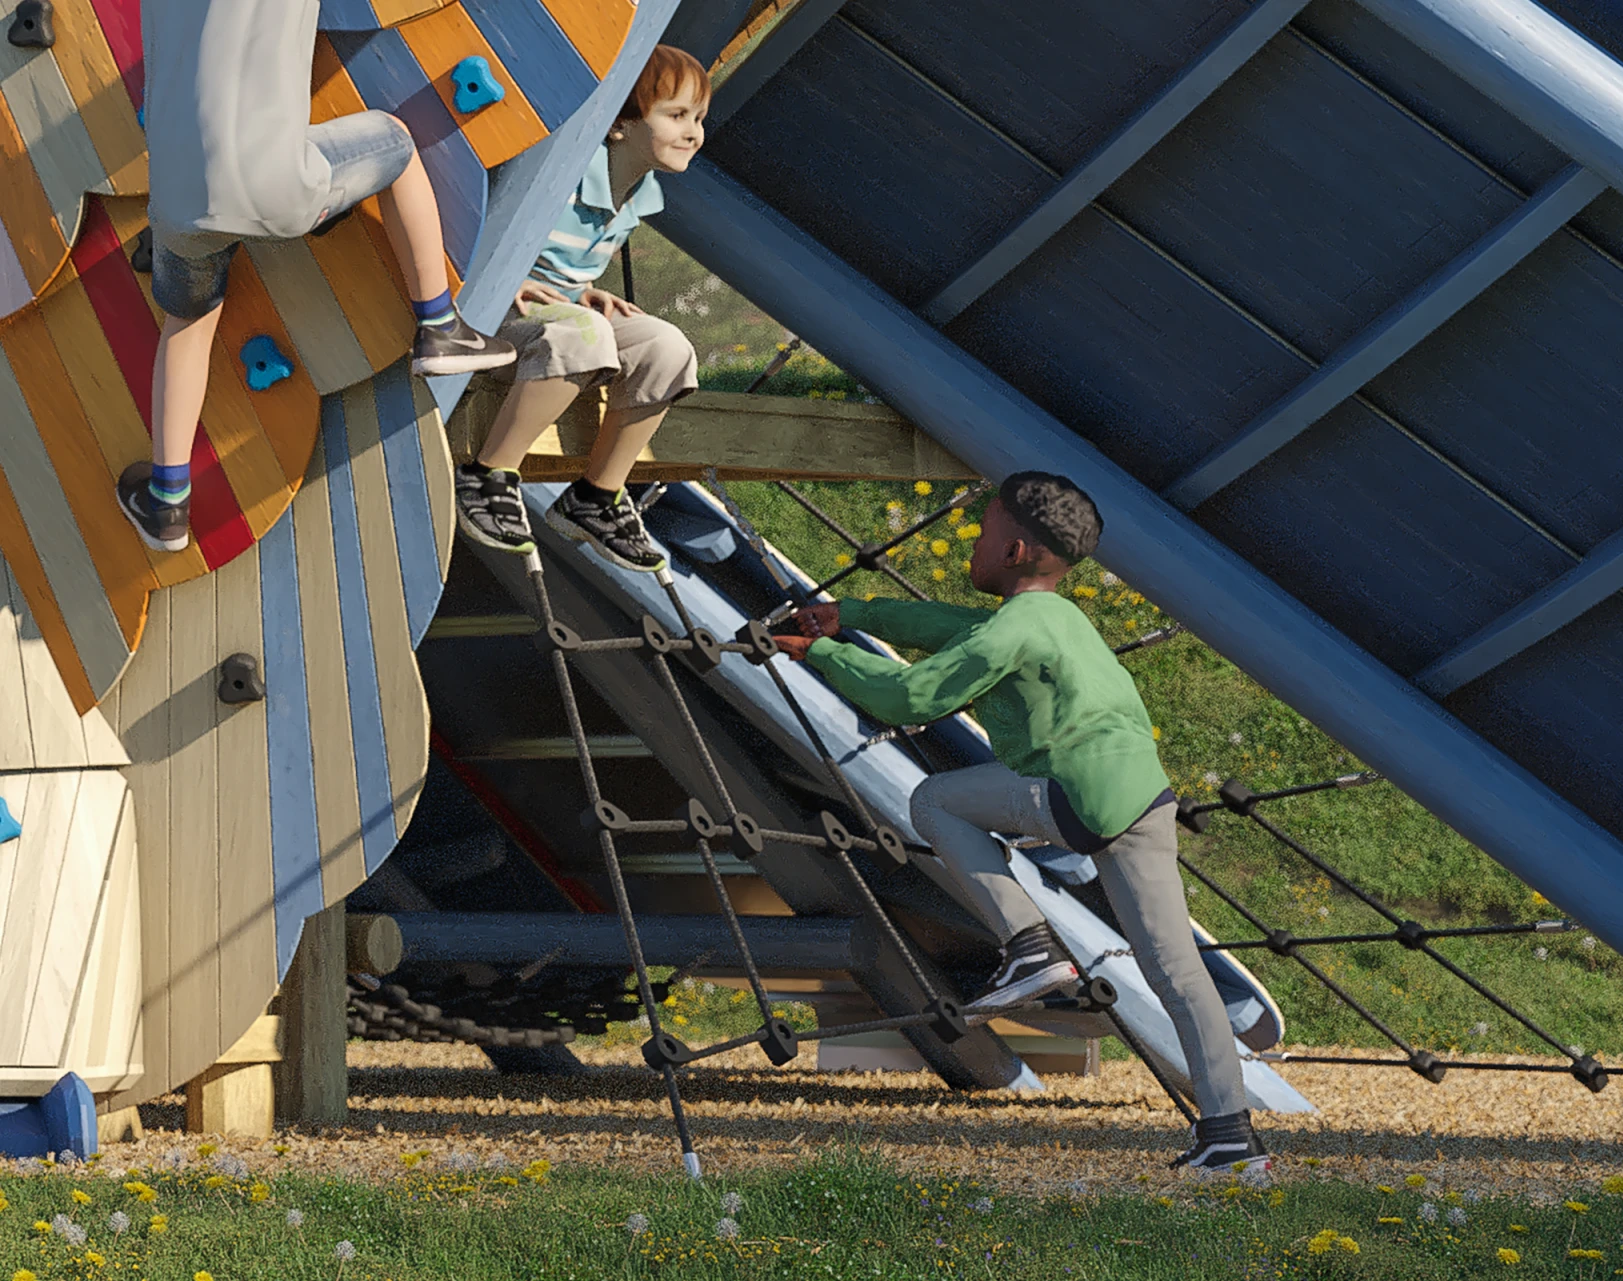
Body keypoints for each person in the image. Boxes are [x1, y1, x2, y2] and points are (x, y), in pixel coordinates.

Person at [773, 473, 1270, 1174]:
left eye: (980, 532)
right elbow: (948, 627)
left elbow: (909, 694)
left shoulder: (1013, 627)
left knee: (934, 800)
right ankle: (1231, 1138)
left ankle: (1029, 944)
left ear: (1013, 548)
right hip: (1146, 800)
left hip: (1076, 794)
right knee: (1178, 973)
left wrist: (822, 652)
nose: (973, 543)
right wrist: (849, 612)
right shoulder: (1057, 616)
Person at [118, 0, 517, 554]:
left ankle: (167, 502)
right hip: (276, 183)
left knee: (188, 319)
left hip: (175, 195)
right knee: (395, 142)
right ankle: (440, 324)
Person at [450, 44, 709, 573]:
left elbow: (566, 270)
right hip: (490, 303)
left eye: (699, 118)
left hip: (555, 312)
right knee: (581, 333)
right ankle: (487, 473)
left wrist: (579, 293)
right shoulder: (565, 167)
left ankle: (595, 496)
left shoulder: (640, 193)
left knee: (668, 347)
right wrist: (510, 277)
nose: (694, 132)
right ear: (621, 124)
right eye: (677, 115)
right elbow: (473, 216)